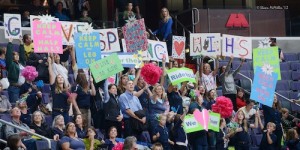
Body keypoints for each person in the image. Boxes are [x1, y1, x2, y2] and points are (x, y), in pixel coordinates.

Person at [48, 56, 74, 123]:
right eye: (58, 77)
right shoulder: (54, 88)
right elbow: (51, 74)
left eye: (62, 77)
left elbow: (68, 103)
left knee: (66, 129)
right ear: (56, 80)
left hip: (65, 112)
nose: (60, 78)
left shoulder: (67, 91)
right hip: (56, 112)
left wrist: (70, 100)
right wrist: (50, 63)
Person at [6, 38, 26, 103]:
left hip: (23, 88)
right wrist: (10, 42)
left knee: (23, 106)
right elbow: (8, 55)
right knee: (15, 105)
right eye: (15, 55)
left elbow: (22, 55)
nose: (17, 56)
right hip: (14, 88)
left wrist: (21, 43)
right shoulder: (11, 64)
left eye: (17, 54)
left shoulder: (21, 63)